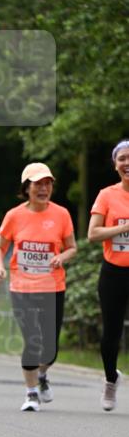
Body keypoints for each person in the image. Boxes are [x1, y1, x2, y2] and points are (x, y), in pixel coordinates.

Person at [0, 162, 77, 411]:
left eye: (47, 183)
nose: (43, 188)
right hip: (22, 287)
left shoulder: (61, 214)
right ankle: (30, 393)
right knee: (32, 339)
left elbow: (72, 247)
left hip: (53, 287)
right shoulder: (14, 216)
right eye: (38, 184)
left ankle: (42, 375)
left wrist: (62, 257)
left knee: (50, 349)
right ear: (26, 187)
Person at [88, 139, 129, 411]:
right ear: (115, 165)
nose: (127, 163)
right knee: (111, 333)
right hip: (113, 272)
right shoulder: (107, 195)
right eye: (122, 158)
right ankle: (111, 379)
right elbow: (93, 234)